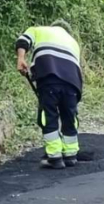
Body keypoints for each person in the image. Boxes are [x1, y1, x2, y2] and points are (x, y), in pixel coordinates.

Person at [15, 20, 83, 169]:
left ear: (52, 27)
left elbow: (23, 41)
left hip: (49, 78)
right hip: (72, 83)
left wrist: (21, 59)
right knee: (69, 116)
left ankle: (54, 157)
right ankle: (71, 154)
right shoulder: (73, 42)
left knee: (49, 115)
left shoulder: (39, 30)